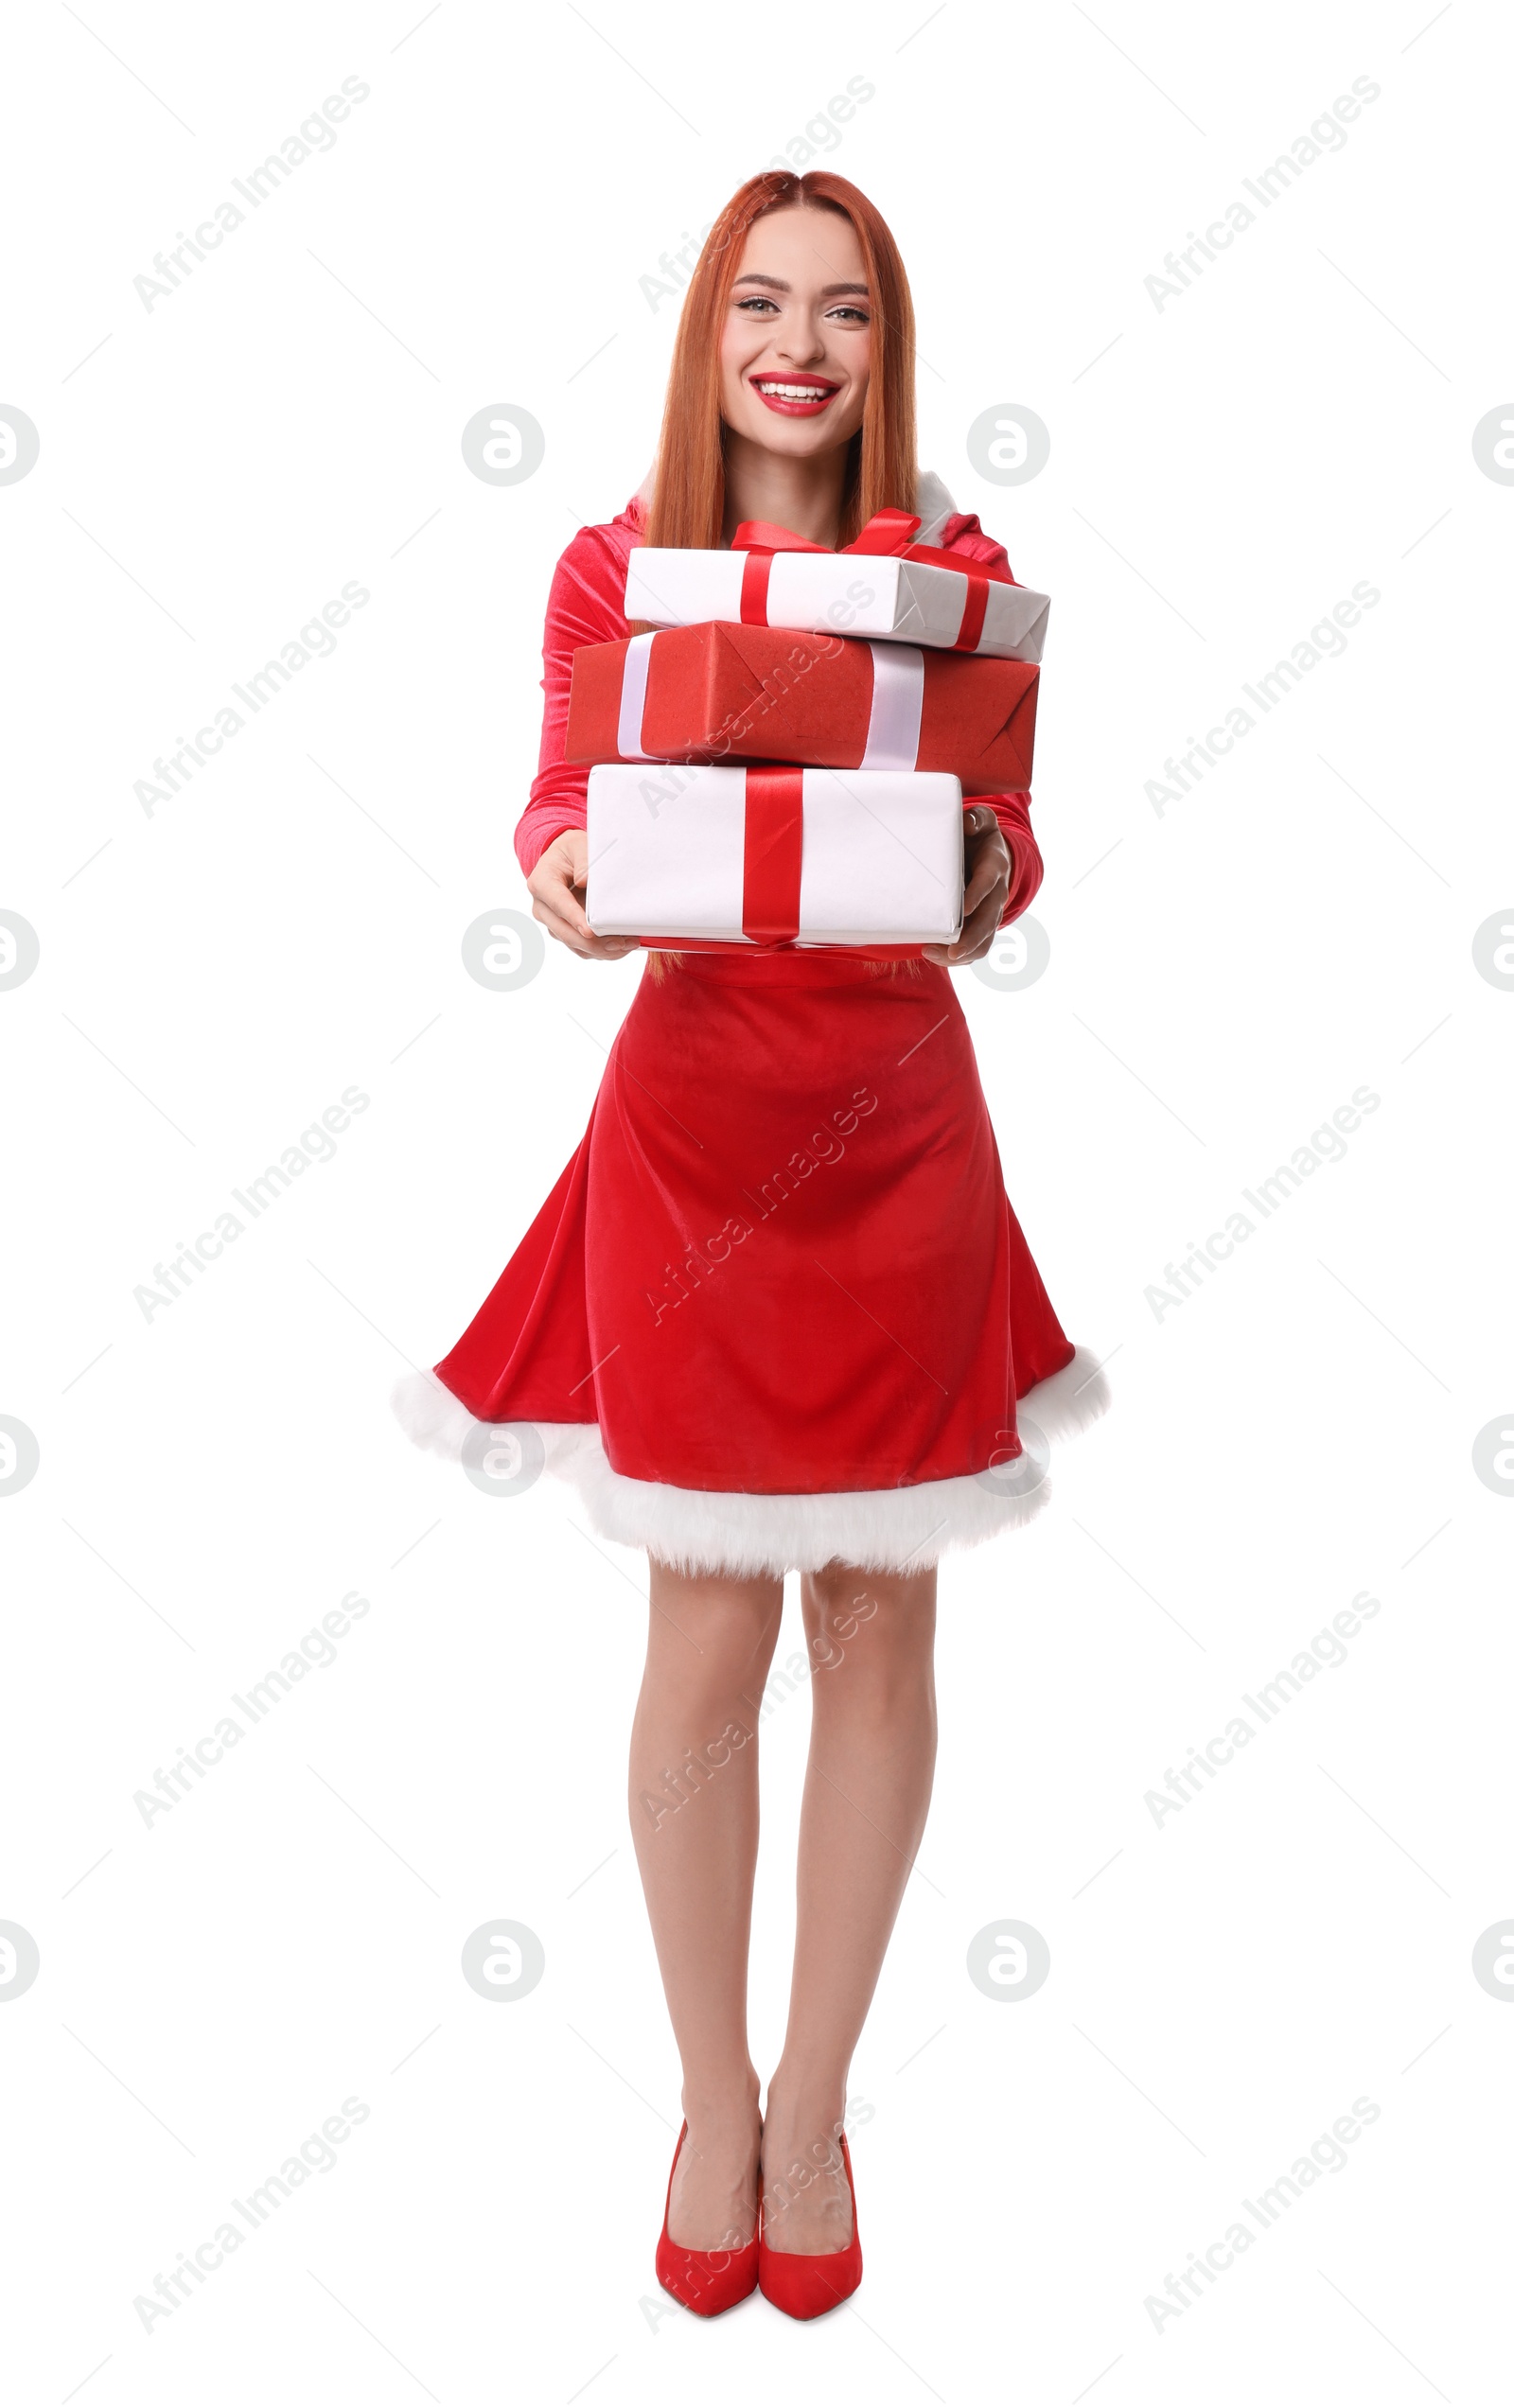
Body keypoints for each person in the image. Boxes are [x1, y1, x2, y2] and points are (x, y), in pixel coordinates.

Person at [396, 168, 1106, 2320]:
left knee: (878, 1626)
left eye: (845, 314)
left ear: (886, 354)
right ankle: (707, 2099)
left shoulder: (948, 572)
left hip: (894, 1131)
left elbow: (1001, 842)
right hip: (693, 1135)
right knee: (702, 1631)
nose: (797, 345)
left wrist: (983, 875)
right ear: (708, 336)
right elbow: (552, 805)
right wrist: (556, 876)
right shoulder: (614, 566)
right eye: (759, 307)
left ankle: (815, 2103)